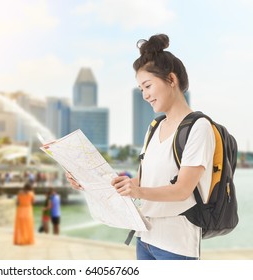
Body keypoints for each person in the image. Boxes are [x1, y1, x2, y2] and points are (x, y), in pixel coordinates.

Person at [66, 34, 215, 260]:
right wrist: (89, 182)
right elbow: (141, 182)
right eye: (140, 89)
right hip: (145, 238)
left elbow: (183, 190)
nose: (145, 95)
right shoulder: (154, 127)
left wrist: (137, 191)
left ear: (171, 80)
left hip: (176, 246)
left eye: (147, 86)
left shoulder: (199, 127)